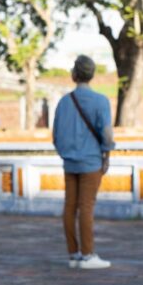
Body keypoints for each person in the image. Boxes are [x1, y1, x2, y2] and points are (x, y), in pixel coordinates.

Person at [52, 55, 114, 270]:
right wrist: (107, 154)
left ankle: (74, 254)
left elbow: (56, 135)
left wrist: (65, 153)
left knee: (70, 207)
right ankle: (88, 254)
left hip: (70, 162)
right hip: (91, 162)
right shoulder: (100, 101)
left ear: (74, 74)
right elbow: (106, 133)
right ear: (92, 75)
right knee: (86, 207)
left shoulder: (64, 102)